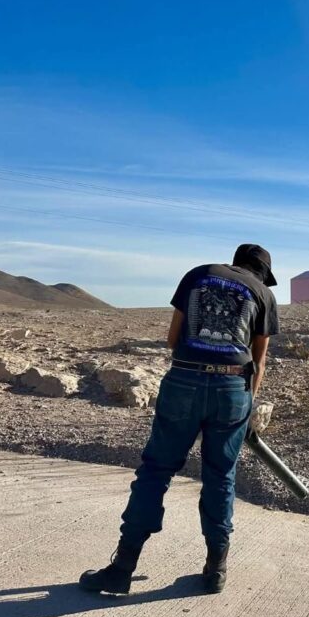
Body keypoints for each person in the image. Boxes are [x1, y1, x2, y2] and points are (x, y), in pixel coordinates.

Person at [79, 244, 280, 595]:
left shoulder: (199, 275)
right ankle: (216, 569)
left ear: (236, 262)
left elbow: (173, 339)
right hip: (232, 388)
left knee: (156, 470)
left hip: (184, 381)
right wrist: (247, 405)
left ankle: (122, 567)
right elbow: (258, 361)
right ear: (263, 273)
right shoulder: (263, 294)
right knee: (221, 476)